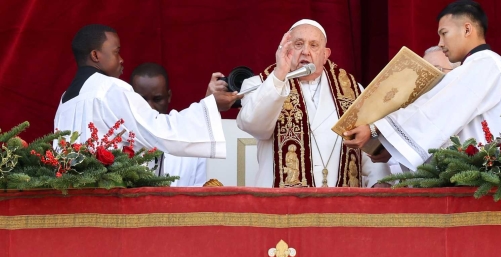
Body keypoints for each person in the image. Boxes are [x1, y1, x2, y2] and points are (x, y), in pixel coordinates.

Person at [344, 0, 501, 172]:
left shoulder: (486, 64)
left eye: (444, 33)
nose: (441, 43)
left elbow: (435, 110)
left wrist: (376, 128)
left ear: (467, 29)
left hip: (480, 179)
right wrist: (392, 148)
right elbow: (446, 125)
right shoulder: (482, 65)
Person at [237, 19, 390, 188]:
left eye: (314, 45)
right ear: (286, 49)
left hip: (342, 206)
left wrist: (379, 183)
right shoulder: (259, 84)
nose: (305, 51)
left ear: (325, 54)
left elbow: (367, 147)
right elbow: (255, 126)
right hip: (283, 208)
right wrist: (280, 74)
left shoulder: (353, 90)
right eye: (298, 44)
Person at [54, 24, 241, 159]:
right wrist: (210, 105)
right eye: (116, 51)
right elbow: (158, 132)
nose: (121, 60)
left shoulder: (65, 100)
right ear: (95, 55)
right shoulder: (109, 88)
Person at [130, 62, 211, 186]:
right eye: (142, 100)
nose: (150, 107)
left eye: (157, 99)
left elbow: (199, 192)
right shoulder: (118, 139)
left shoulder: (192, 140)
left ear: (169, 96)